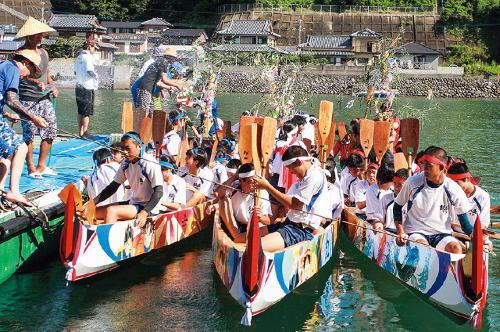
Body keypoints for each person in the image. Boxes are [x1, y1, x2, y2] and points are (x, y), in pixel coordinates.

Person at [394, 146, 472, 254]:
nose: (425, 169)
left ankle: (451, 269)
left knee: (456, 248)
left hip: (442, 234)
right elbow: (397, 206)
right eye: (423, 164)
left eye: (429, 166)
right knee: (423, 247)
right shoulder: (412, 182)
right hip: (416, 231)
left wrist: (477, 238)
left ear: (442, 167)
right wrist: (400, 232)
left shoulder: (453, 189)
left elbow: (465, 225)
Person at [254, 146, 329, 252]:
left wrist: (267, 187)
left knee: (256, 247)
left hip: (299, 230)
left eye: (290, 168)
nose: (290, 172)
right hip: (289, 223)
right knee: (246, 236)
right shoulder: (304, 176)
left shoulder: (314, 176)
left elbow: (295, 205)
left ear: (299, 162)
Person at [0, 49, 47, 205]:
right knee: (20, 147)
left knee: (7, 151)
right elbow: (11, 99)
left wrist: (6, 115)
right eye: (29, 71)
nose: (26, 76)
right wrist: (33, 118)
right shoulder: (13, 68)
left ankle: (1, 191)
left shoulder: (4, 66)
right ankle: (13, 191)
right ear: (25, 63)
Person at [87, 132, 164, 226]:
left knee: (111, 211)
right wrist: (92, 203)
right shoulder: (125, 163)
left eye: (128, 149)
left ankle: (106, 239)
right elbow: (113, 187)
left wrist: (144, 212)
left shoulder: (149, 163)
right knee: (92, 212)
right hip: (133, 203)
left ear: (139, 146)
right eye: (123, 149)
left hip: (148, 207)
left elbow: (159, 191)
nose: (125, 153)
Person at [16, 17, 58, 178]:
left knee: (50, 128)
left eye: (42, 35)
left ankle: (41, 165)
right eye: (37, 35)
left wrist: (52, 86)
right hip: (27, 98)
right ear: (29, 36)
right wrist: (34, 81)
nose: (40, 38)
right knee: (29, 133)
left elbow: (47, 74)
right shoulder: (20, 54)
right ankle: (31, 168)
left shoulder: (44, 53)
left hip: (44, 97)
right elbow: (20, 74)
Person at [218, 163, 272, 243]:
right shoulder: (234, 186)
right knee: (223, 201)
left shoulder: (262, 192)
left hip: (251, 227)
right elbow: (219, 194)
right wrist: (234, 177)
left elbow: (268, 221)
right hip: (234, 226)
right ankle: (237, 237)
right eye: (251, 181)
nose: (254, 184)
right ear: (241, 181)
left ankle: (243, 240)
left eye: (255, 181)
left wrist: (261, 217)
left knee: (262, 226)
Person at [137, 48, 183, 120]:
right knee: (145, 110)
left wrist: (170, 87)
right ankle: (143, 129)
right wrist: (176, 85)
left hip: (150, 89)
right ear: (170, 57)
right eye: (174, 58)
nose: (174, 60)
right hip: (145, 88)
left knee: (152, 109)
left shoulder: (161, 61)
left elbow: (158, 82)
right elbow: (165, 80)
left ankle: (152, 128)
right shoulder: (163, 62)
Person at [447, 160, 490, 230]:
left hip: (474, 233)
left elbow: (484, 223)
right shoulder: (451, 193)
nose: (453, 187)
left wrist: (476, 232)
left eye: (456, 182)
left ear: (467, 179)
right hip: (453, 234)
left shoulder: (483, 196)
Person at [74, 40, 98, 138]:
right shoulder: (88, 57)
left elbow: (75, 72)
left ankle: (80, 132)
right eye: (94, 48)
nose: (95, 50)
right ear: (89, 47)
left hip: (78, 87)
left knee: (80, 111)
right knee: (86, 112)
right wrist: (96, 76)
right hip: (87, 87)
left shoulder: (79, 57)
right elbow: (90, 71)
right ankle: (85, 132)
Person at [366, 163, 394, 231]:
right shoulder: (371, 190)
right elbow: (376, 214)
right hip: (375, 222)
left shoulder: (392, 189)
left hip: (389, 223)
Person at [380, 168, 409, 233]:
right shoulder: (386, 198)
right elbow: (378, 218)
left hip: (406, 235)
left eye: (399, 185)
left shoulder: (412, 201)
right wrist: (378, 223)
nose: (396, 187)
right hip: (389, 232)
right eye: (394, 183)